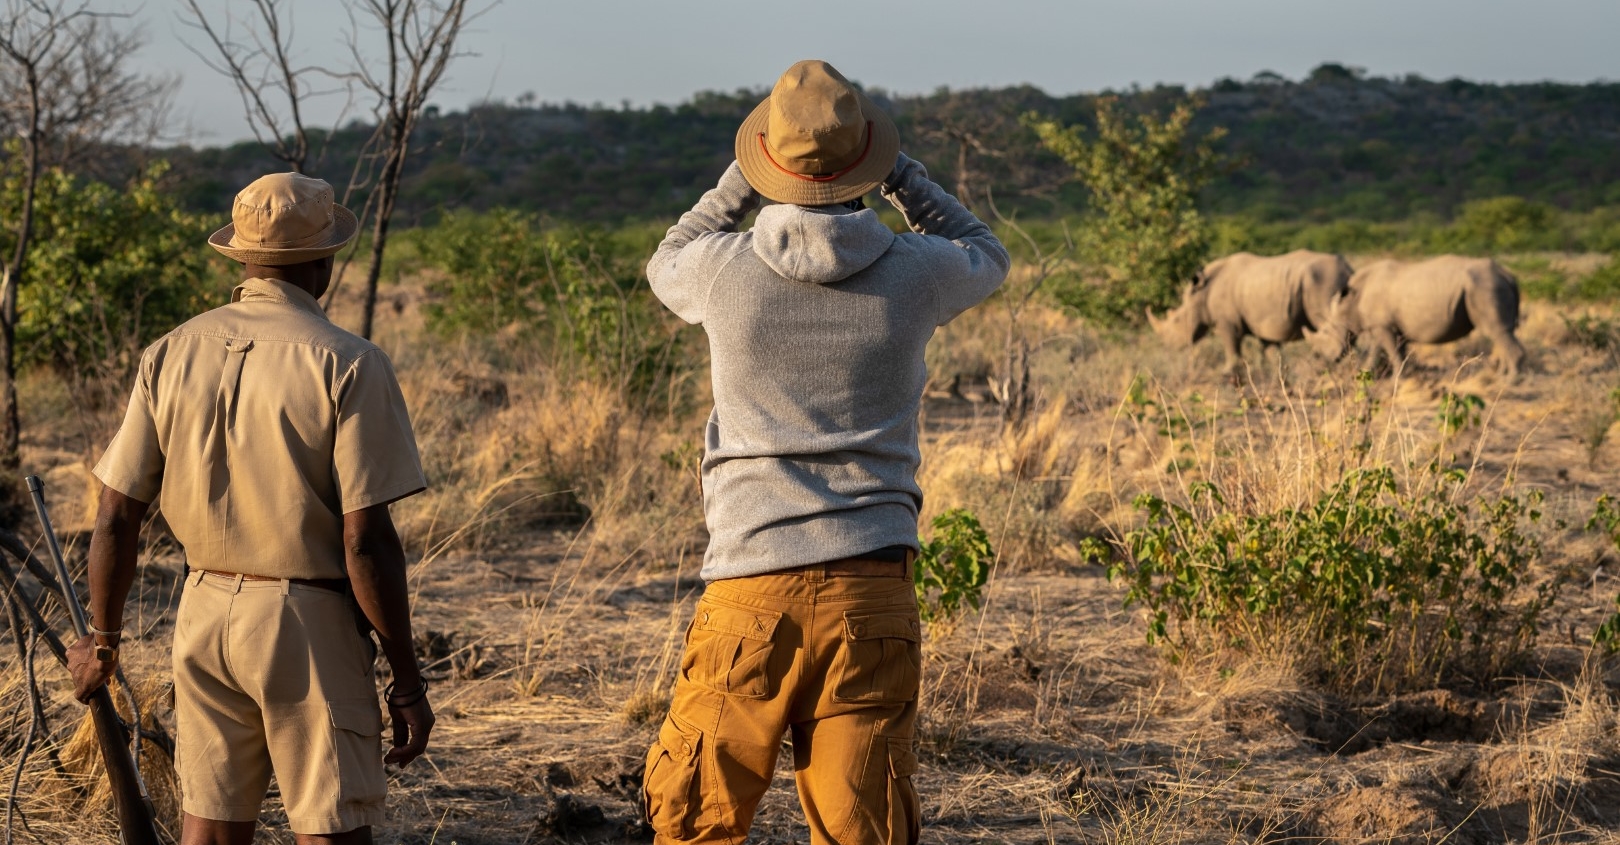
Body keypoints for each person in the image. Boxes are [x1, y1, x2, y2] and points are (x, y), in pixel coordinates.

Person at [642, 59, 1010, 844]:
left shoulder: (720, 271)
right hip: (872, 590)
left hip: (748, 588)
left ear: (768, 159)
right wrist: (902, 176)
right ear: (865, 166)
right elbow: (986, 249)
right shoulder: (917, 273)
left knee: (694, 822)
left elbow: (667, 252)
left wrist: (740, 182)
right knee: (864, 828)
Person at [65, 172, 434, 845]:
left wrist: (104, 641)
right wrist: (406, 677)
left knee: (208, 829)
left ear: (240, 255)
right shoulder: (349, 362)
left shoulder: (170, 352)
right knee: (331, 827)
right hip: (308, 622)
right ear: (322, 262)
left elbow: (117, 514)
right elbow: (365, 542)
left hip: (203, 613)